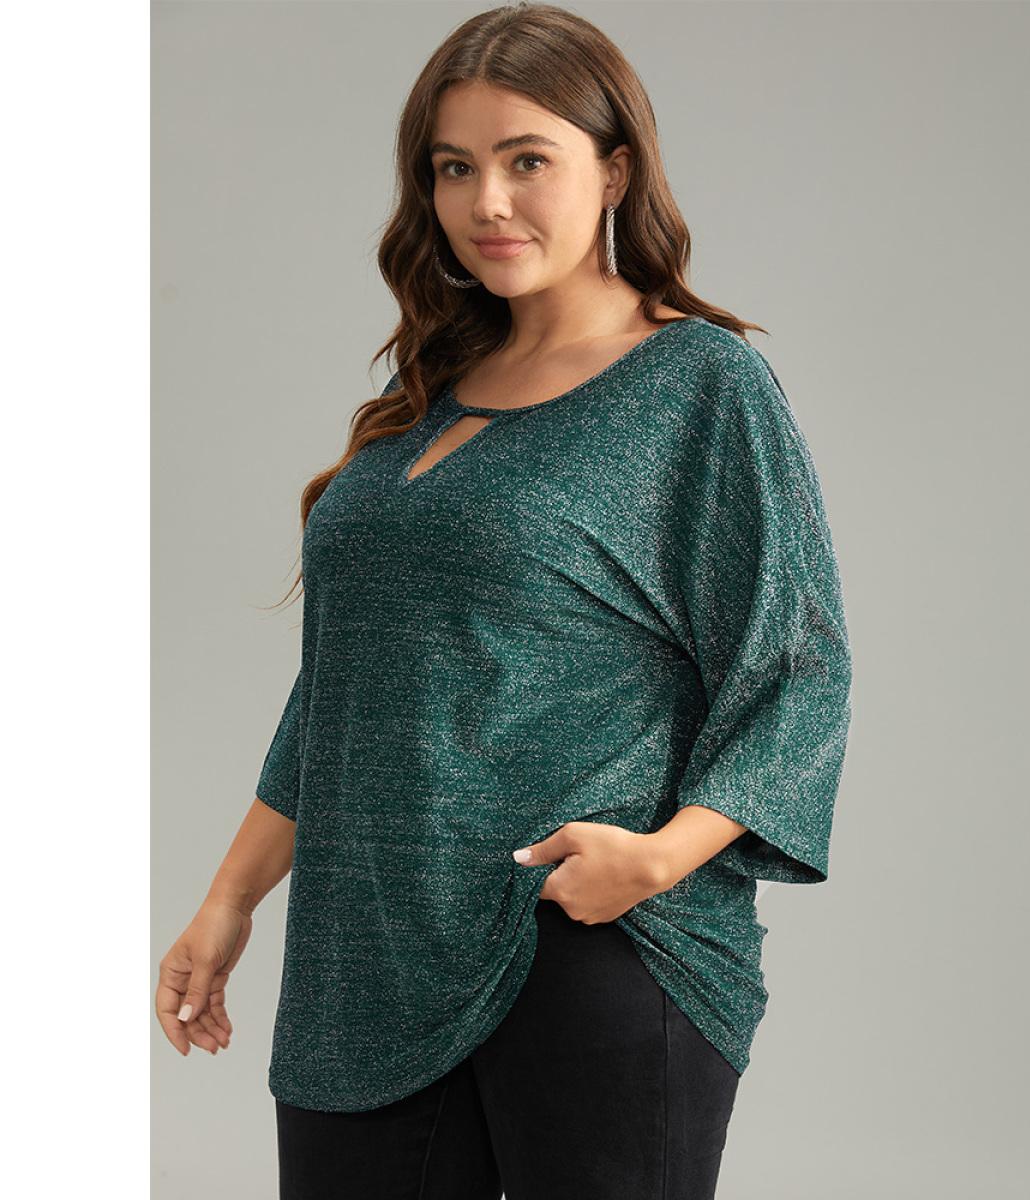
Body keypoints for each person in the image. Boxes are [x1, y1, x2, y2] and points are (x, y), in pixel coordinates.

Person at [155, 4, 853, 1197]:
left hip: (579, 937)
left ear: (614, 170)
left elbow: (797, 665)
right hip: (363, 953)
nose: (488, 202)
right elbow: (347, 687)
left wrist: (659, 859)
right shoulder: (428, 393)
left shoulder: (700, 382)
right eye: (454, 168)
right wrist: (229, 900)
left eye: (528, 160)